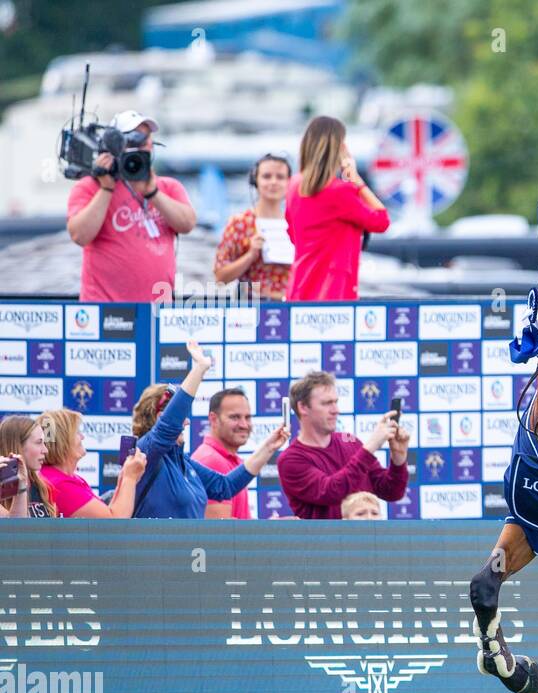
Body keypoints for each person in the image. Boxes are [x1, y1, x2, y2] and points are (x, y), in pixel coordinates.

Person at [131, 342, 288, 519]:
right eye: (183, 417)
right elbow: (168, 427)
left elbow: (225, 486)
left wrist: (269, 447)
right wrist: (200, 369)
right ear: (160, 417)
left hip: (189, 548)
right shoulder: (144, 453)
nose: (187, 422)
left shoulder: (183, 462)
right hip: (155, 546)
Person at [66, 110, 197, 302]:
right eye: (133, 139)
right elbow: (79, 236)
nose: (142, 145)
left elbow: (187, 224)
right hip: (105, 310)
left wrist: (153, 193)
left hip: (157, 309)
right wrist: (106, 189)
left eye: (146, 139)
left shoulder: (168, 186)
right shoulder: (89, 187)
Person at [277, 370, 410, 519]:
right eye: (327, 403)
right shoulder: (291, 460)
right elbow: (332, 491)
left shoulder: (350, 441)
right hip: (326, 542)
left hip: (366, 541)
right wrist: (371, 446)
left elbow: (391, 492)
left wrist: (399, 458)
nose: (336, 410)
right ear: (303, 407)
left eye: (336, 402)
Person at [285, 116, 390, 300]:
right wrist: (357, 181)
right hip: (332, 292)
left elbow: (294, 236)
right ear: (339, 149)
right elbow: (381, 220)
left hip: (300, 286)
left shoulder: (294, 186)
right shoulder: (339, 192)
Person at [213, 152, 293, 300]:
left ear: (289, 182)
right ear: (255, 180)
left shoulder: (297, 222)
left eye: (280, 177)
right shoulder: (240, 223)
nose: (273, 182)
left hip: (291, 307)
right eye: (267, 176)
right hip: (252, 309)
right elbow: (220, 277)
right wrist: (250, 256)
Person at [39, 408, 147, 518]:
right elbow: (115, 524)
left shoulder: (58, 478)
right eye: (77, 432)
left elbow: (108, 512)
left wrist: (125, 478)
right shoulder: (60, 485)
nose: (82, 437)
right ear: (63, 440)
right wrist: (130, 478)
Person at [191, 387, 256, 519]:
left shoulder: (226, 459)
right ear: (213, 419)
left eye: (247, 417)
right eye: (235, 417)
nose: (244, 425)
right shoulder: (211, 461)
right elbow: (220, 534)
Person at [0, 416, 58, 517]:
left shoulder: (42, 487)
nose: (45, 450)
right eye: (39, 442)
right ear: (18, 446)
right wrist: (21, 487)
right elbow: (15, 530)